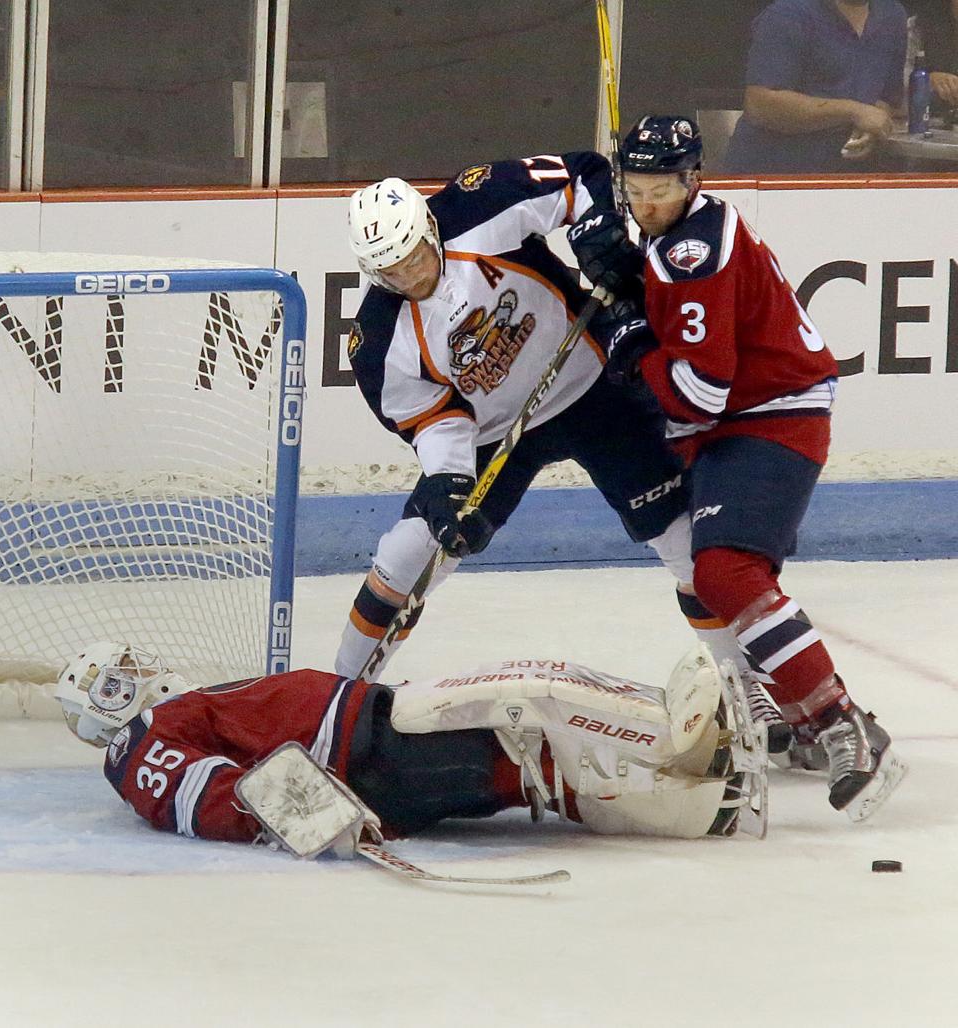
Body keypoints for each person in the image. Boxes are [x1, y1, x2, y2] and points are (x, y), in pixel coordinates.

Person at [606, 114, 907, 822]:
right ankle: (784, 713)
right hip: (738, 419)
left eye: (662, 191)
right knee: (697, 571)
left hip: (772, 413)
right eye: (636, 191)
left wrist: (634, 347)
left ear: (693, 181)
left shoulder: (693, 254)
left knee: (725, 571)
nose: (648, 206)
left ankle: (839, 722)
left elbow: (703, 395)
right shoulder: (677, 238)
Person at [334, 152, 698, 682]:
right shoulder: (378, 341)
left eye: (413, 256)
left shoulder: (481, 201)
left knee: (684, 539)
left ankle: (751, 685)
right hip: (495, 432)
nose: (410, 275)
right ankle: (337, 698)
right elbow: (434, 418)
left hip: (593, 384)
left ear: (428, 228)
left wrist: (599, 231)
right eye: (391, 270)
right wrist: (449, 480)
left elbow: (586, 177)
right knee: (408, 555)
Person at [54, 641, 770, 851]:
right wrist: (310, 818)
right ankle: (671, 728)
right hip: (368, 751)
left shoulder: (160, 729)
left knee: (532, 769)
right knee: (530, 688)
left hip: (369, 750)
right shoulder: (139, 745)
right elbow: (199, 798)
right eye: (123, 676)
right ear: (106, 702)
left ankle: (704, 806)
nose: (143, 673)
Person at [722, 0, 910, 173]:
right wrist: (854, 111)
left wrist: (871, 126)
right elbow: (760, 104)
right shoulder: (787, 14)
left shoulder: (892, 16)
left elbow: (888, 98)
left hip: (848, 176)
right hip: (771, 178)